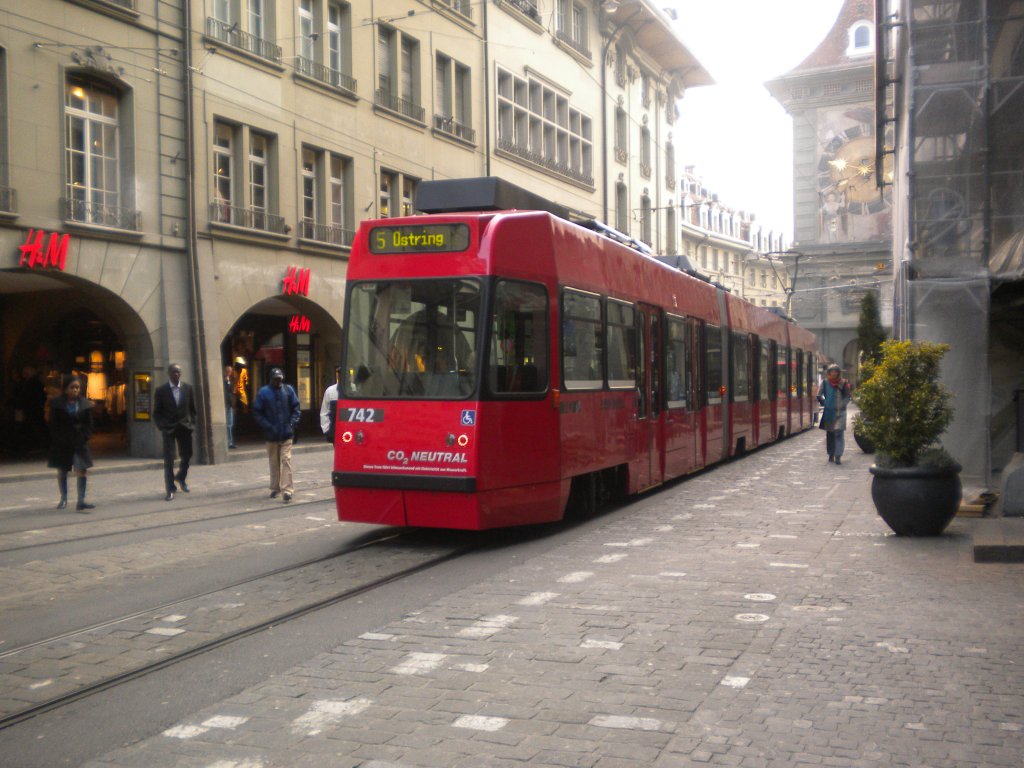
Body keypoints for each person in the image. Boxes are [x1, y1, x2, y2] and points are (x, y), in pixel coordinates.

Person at [252, 367, 301, 502]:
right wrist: (268, 426)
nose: (278, 381)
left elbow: (296, 408)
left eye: (279, 379)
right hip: (271, 434)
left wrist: (292, 424)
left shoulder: (288, 390)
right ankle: (275, 488)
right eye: (275, 379)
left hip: (286, 433)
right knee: (274, 462)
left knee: (286, 460)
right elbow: (257, 412)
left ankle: (287, 489)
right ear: (271, 379)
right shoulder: (264, 393)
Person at [47, 375, 95, 511]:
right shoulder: (57, 404)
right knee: (62, 471)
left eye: (77, 388)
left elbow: (89, 424)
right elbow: (53, 424)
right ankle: (63, 498)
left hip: (79, 441)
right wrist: (58, 438)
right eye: (72, 387)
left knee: (82, 470)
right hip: (62, 442)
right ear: (66, 389)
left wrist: (85, 436)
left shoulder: (85, 404)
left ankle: (81, 500)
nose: (75, 390)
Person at [153, 363, 197, 501]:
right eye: (174, 372)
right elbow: (156, 413)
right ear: (169, 374)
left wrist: (192, 424)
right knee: (169, 459)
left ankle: (181, 477)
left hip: (184, 427)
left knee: (187, 456)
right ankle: (170, 488)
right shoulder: (161, 391)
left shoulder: (188, 388)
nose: (176, 374)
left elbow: (192, 409)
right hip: (169, 428)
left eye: (178, 372)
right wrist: (162, 426)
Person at [816, 363, 852, 465]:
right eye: (832, 371)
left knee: (839, 434)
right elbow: (819, 395)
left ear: (838, 372)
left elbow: (847, 396)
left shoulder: (843, 383)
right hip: (829, 412)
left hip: (840, 413)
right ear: (829, 372)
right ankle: (831, 453)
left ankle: (838, 455)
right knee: (830, 434)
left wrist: (842, 404)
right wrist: (825, 403)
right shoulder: (825, 383)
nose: (834, 373)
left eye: (836, 371)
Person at [319, 367, 340, 444]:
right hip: (335, 430)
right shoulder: (330, 391)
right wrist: (327, 430)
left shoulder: (354, 389)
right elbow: (324, 411)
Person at [223, 364, 237, 449]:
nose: (229, 373)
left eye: (230, 371)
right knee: (228, 424)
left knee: (230, 424)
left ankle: (230, 442)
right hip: (225, 404)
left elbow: (232, 393)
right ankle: (229, 442)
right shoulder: (223, 380)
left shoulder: (231, 380)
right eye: (227, 371)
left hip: (229, 404)